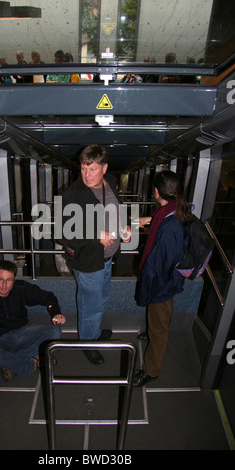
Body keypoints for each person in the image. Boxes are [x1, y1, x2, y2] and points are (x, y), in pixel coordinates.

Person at [58, 145, 131, 365]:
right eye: (83, 169)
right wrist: (97, 236)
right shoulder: (72, 195)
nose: (87, 175)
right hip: (89, 262)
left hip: (107, 259)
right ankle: (87, 343)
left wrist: (123, 228)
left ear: (104, 168)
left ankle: (93, 333)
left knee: (100, 299)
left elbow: (114, 209)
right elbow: (62, 233)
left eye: (93, 169)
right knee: (92, 305)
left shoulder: (109, 180)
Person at [133, 170, 193, 387]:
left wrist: (147, 288)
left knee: (160, 327)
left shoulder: (171, 225)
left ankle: (151, 370)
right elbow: (162, 222)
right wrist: (148, 220)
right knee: (157, 320)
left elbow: (159, 264)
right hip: (164, 279)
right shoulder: (171, 210)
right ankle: (151, 333)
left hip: (162, 283)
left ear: (157, 192)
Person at [0, 260, 66, 381]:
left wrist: (56, 313)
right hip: (0, 338)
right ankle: (32, 362)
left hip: (24, 331)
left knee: (55, 331)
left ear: (14, 280)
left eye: (8, 280)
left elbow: (47, 297)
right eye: (0, 279)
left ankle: (11, 362)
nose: (4, 284)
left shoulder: (20, 288)